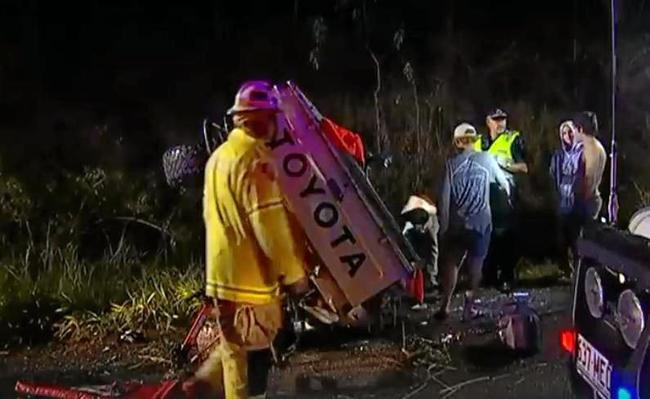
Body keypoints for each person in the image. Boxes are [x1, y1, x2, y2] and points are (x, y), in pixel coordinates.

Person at [183, 80, 310, 399]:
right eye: (273, 117)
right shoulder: (256, 161)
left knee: (233, 351)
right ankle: (213, 385)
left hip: (221, 278)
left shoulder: (218, 159)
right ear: (261, 119)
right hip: (252, 282)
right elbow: (271, 228)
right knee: (256, 357)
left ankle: (206, 383)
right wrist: (295, 275)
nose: (276, 124)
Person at [434, 123, 510, 322]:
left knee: (452, 264)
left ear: (457, 143)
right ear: (474, 140)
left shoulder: (450, 166)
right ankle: (469, 308)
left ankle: (446, 305)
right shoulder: (486, 159)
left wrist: (444, 227)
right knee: (476, 266)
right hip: (481, 224)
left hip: (458, 226)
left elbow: (444, 200)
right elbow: (503, 183)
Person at [475, 108, 528, 293]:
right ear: (488, 121)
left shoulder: (512, 139)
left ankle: (507, 277)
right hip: (483, 197)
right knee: (486, 237)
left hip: (504, 198)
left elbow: (524, 167)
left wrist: (506, 164)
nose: (500, 124)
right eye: (496, 120)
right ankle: (488, 276)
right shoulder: (478, 142)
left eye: (503, 120)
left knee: (505, 238)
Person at [549, 120, 585, 279]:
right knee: (562, 238)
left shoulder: (582, 151)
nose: (567, 136)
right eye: (564, 133)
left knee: (578, 237)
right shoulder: (558, 155)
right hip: (563, 200)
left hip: (578, 201)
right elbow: (553, 174)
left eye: (570, 132)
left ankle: (579, 270)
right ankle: (565, 269)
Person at [400, 195, 439, 291]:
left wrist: (432, 275)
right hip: (416, 214)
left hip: (428, 217)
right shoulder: (407, 216)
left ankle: (430, 279)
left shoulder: (431, 226)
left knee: (431, 248)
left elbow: (434, 250)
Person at [573, 111, 607, 220]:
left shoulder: (592, 150)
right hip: (593, 200)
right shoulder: (598, 147)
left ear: (580, 129)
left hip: (586, 203)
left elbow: (589, 181)